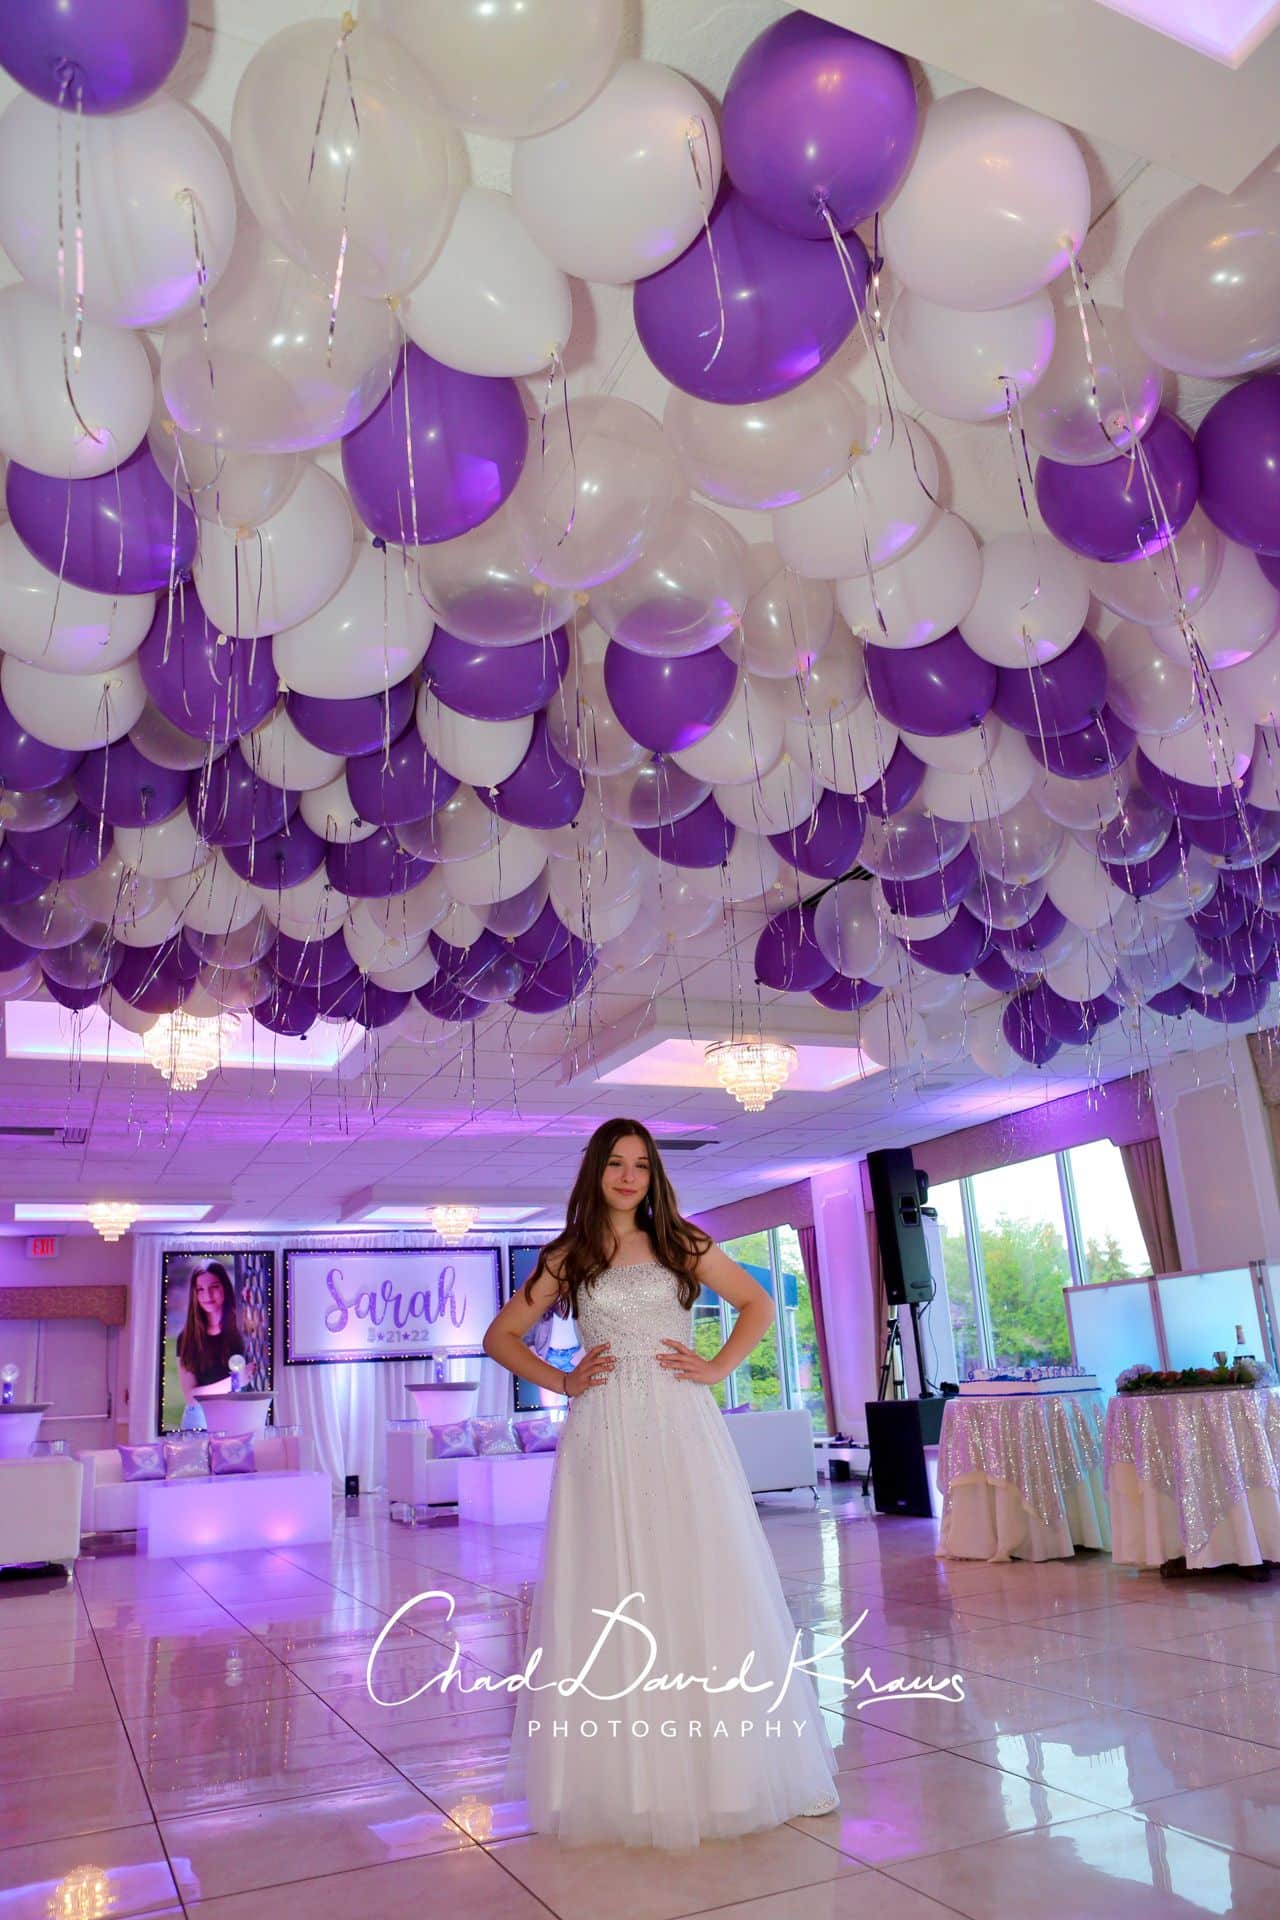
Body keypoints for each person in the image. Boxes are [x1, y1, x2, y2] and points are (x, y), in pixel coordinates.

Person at [483, 1117, 840, 1850]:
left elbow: (758, 1304)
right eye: (615, 1164)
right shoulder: (568, 1255)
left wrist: (715, 1367)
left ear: (654, 1176)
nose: (628, 1176)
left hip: (680, 1424)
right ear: (595, 1171)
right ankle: (623, 1781)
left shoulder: (684, 1242)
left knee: (698, 1576)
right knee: (612, 1584)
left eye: (641, 1165)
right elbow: (499, 1336)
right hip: (603, 1430)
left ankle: (728, 1772)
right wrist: (561, 1381)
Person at [175, 1262, 246, 1424]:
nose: (207, 1296)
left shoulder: (241, 1328)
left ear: (225, 1288)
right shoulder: (186, 1338)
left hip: (237, 1414)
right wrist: (235, 1382)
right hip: (200, 1417)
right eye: (200, 1289)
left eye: (214, 1287)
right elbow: (191, 1397)